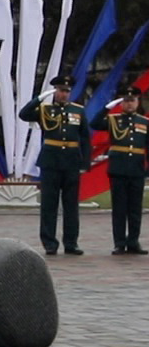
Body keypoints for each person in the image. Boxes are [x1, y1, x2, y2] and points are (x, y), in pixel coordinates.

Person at [19, 74, 90, 257]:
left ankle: (71, 243)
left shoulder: (78, 111)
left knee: (71, 205)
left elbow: (85, 138)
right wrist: (39, 99)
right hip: (51, 162)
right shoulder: (45, 110)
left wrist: (85, 162)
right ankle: (50, 243)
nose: (63, 94)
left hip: (71, 162)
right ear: (55, 91)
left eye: (66, 91)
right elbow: (24, 114)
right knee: (49, 205)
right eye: (60, 90)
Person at [92, 86, 149, 256]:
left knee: (135, 208)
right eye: (126, 101)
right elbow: (94, 123)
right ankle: (119, 243)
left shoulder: (145, 122)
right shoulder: (113, 120)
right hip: (118, 169)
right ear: (121, 103)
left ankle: (133, 242)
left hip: (137, 169)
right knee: (119, 208)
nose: (129, 104)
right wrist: (107, 107)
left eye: (132, 101)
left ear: (138, 102)